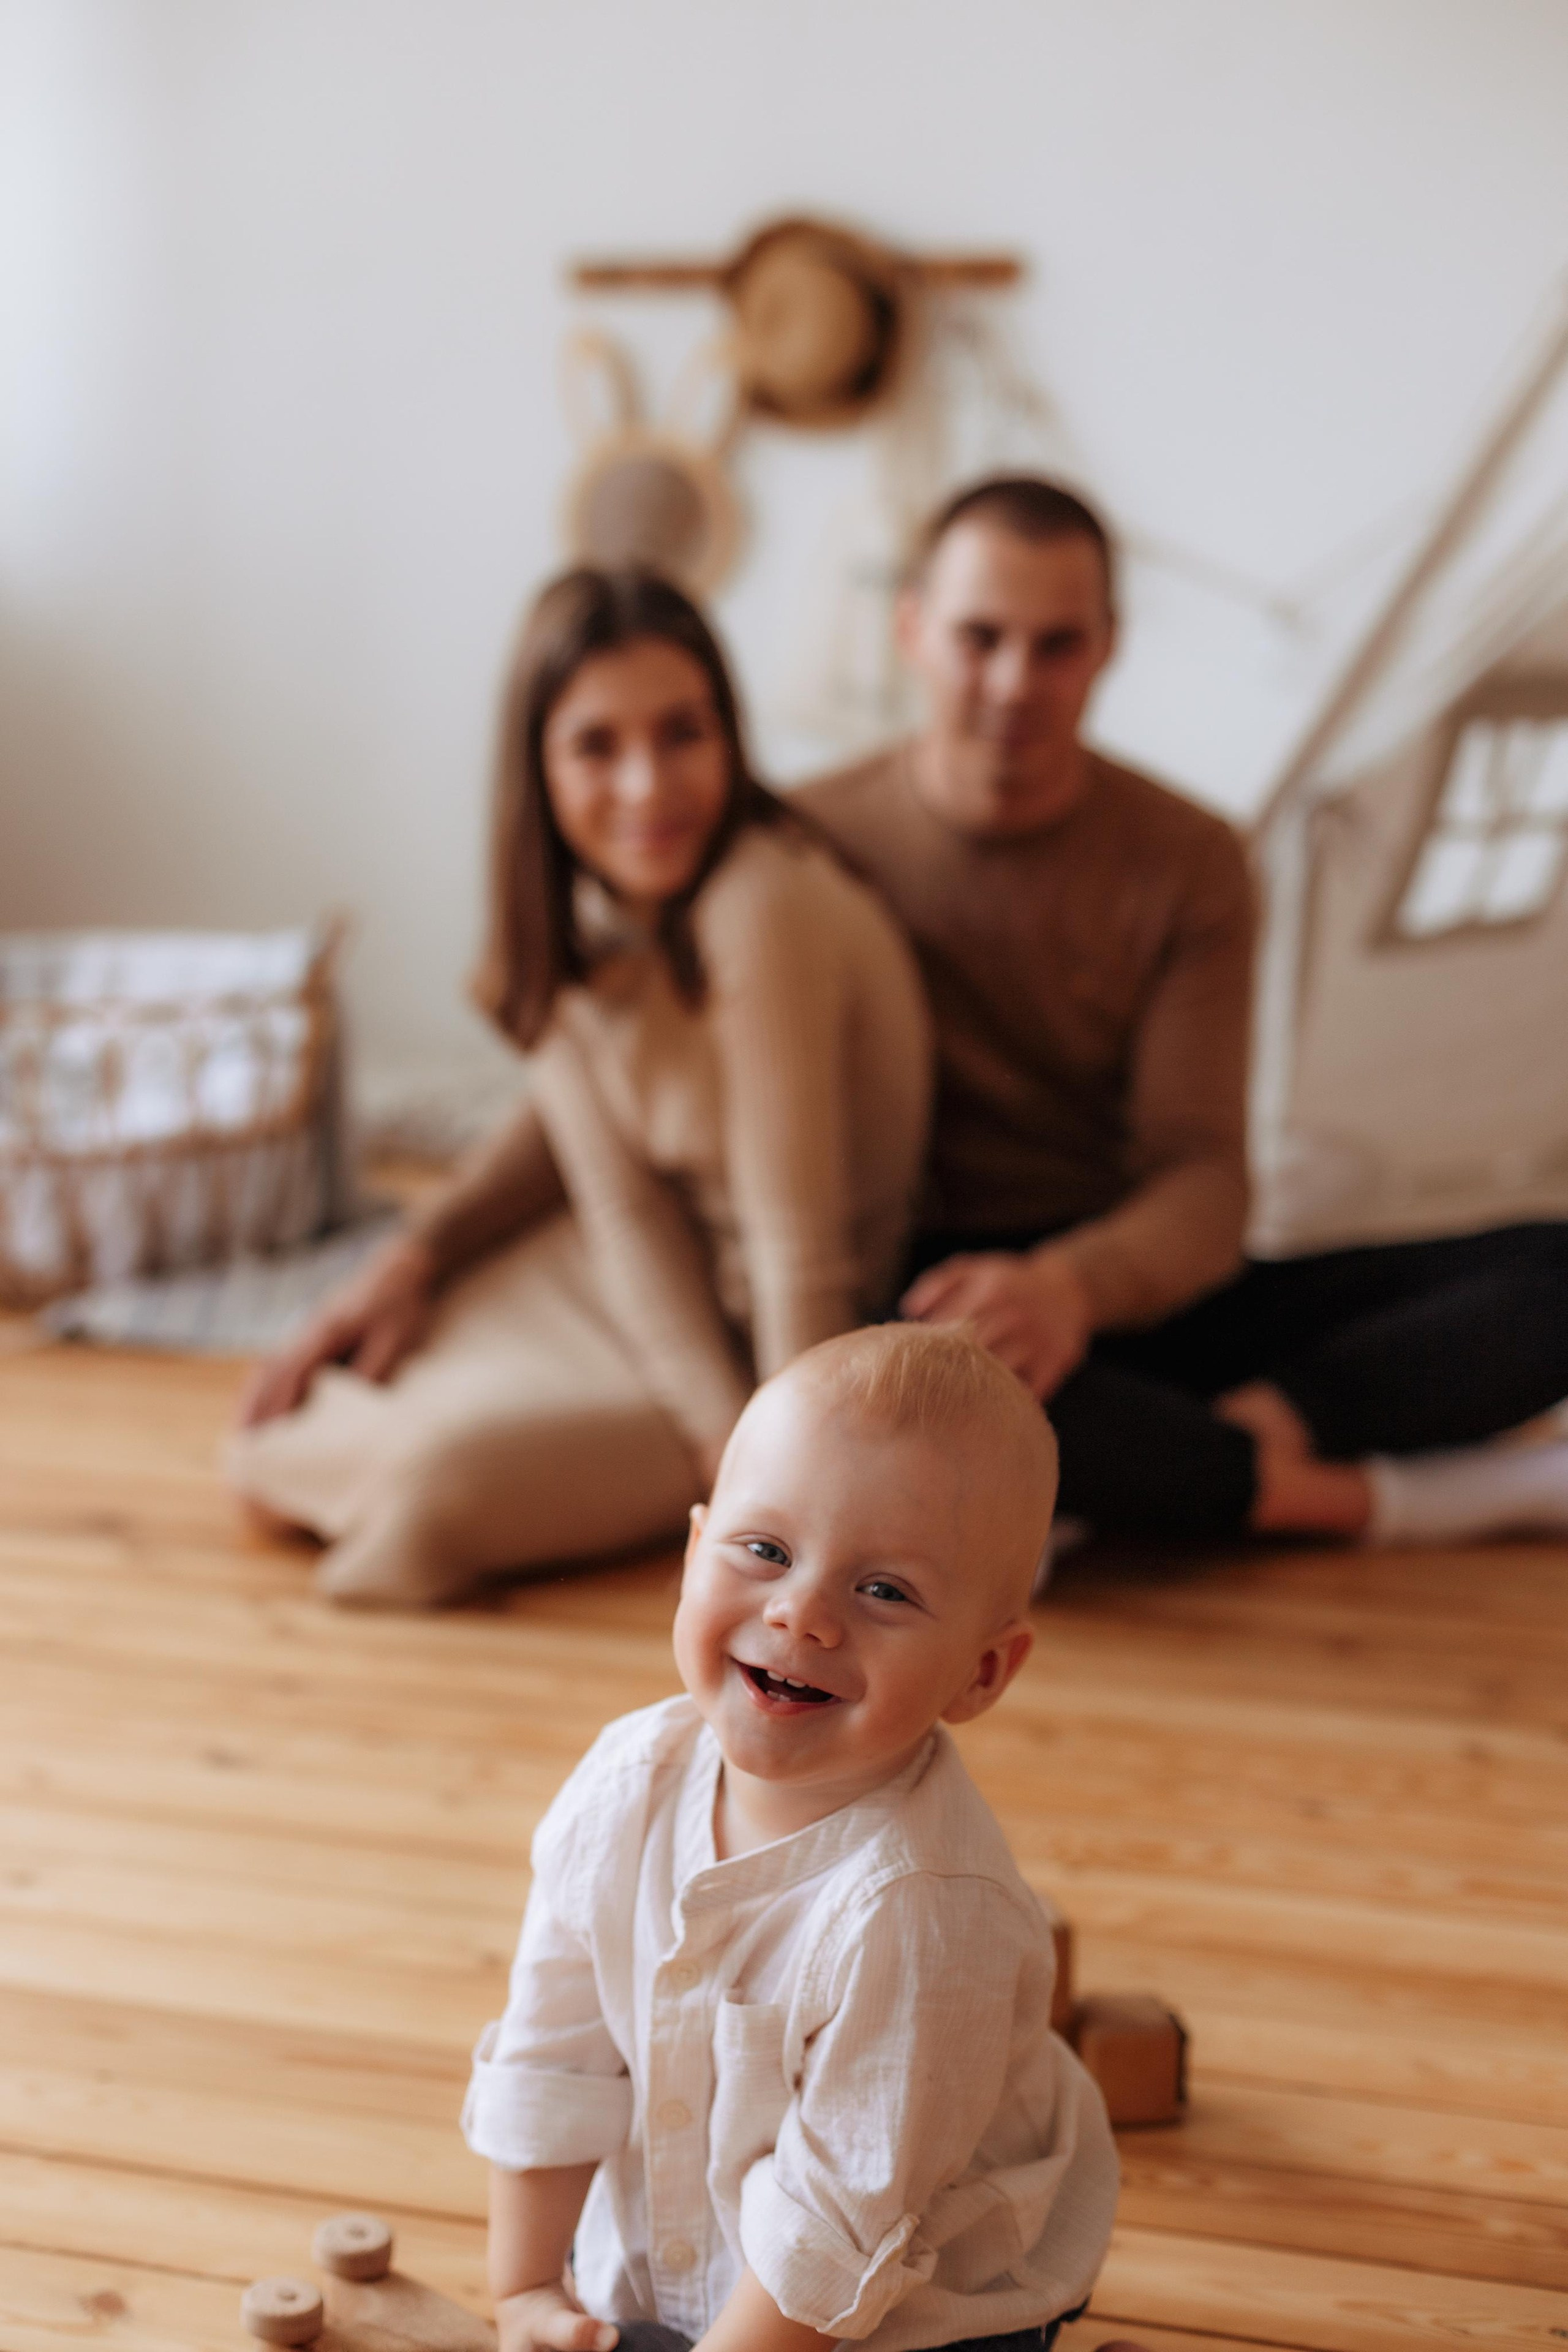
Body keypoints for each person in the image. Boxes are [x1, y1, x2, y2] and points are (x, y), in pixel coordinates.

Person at [794, 476, 1568, 1548]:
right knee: (907, 1377)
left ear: (1107, 646)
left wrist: (1068, 1287)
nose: (1017, 681)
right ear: (912, 630)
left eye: (1057, 645)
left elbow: (1205, 1178)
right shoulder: (807, 842)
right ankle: (1369, 1497)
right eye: (981, 638)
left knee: (1554, 1271)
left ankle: (1215, 1447)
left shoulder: (1189, 858)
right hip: (926, 1294)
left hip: (1117, 1283)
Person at [228, 568, 930, 1606]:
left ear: (730, 739)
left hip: (772, 1336)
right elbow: (625, 1208)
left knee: (425, 1495)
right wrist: (413, 1261)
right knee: (271, 1438)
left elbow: (799, 1248)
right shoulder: (565, 933)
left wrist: (769, 1490)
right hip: (643, 1285)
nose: (647, 786)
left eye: (682, 733)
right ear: (540, 771)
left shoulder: (761, 902)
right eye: (598, 746)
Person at [463, 1322, 1119, 2352]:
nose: (803, 1615)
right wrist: (527, 2293)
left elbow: (842, 2222)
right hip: (664, 2256)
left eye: (885, 1591)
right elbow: (555, 2052)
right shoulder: (622, 1788)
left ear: (982, 1674)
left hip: (902, 2300)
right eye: (764, 1551)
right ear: (693, 1557)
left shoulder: (922, 1911)